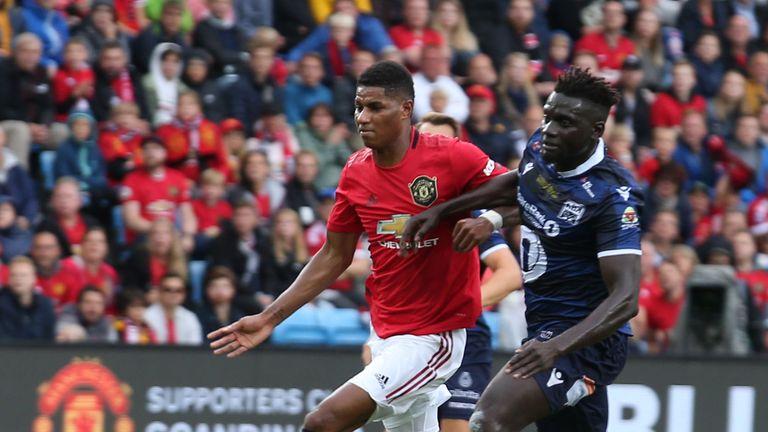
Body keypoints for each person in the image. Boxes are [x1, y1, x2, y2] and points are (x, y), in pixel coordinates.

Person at [209, 60, 507, 432]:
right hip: (384, 334)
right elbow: (334, 254)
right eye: (358, 107)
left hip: (433, 337)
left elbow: (518, 188)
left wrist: (488, 220)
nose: (362, 117)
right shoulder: (355, 170)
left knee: (323, 422)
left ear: (405, 110)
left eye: (375, 107)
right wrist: (269, 318)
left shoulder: (450, 155)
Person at [399, 68, 642, 431]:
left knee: (487, 420)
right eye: (547, 116)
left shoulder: (613, 197)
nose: (549, 129)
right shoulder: (543, 147)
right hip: (544, 326)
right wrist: (450, 212)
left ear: (595, 131)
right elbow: (521, 181)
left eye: (564, 122)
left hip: (583, 342)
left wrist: (556, 347)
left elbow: (626, 299)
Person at [415, 113, 522, 432]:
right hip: (408, 332)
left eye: (443, 143)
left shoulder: (471, 212)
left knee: (455, 427)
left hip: (463, 335)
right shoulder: (396, 204)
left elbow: (509, 274)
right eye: (425, 141)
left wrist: (461, 304)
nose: (432, 151)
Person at [0, 256, 56, 341]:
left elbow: (50, 338)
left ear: (34, 279)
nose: (18, 279)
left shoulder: (45, 305)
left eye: (23, 275)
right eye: (13, 275)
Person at [145, 272, 203, 345]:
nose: (173, 294)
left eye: (178, 290)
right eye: (168, 289)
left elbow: (195, 349)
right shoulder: (146, 316)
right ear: (159, 291)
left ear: (184, 294)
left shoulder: (190, 317)